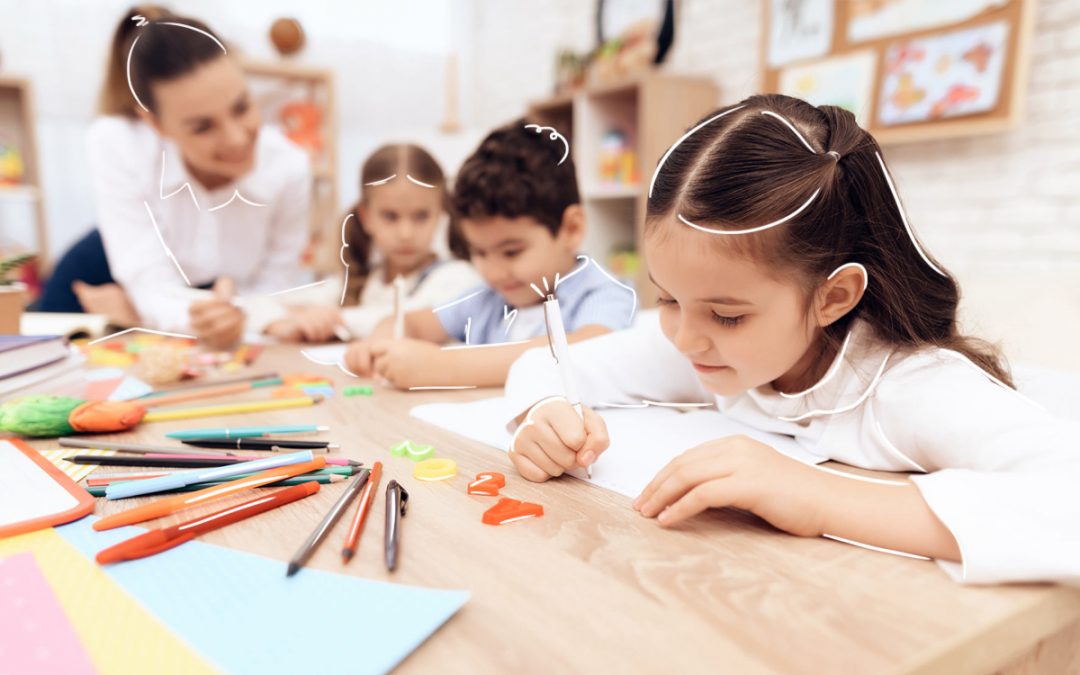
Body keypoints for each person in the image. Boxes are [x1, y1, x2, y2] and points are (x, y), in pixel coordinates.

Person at [502, 94, 1080, 585]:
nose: (684, 337)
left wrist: (815, 496)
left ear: (833, 297)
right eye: (668, 299)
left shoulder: (910, 388)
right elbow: (550, 362)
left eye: (727, 316)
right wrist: (547, 411)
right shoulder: (706, 346)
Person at [37, 9, 310, 348]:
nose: (237, 138)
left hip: (196, 307)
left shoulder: (290, 168)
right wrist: (211, 316)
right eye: (203, 126)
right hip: (98, 285)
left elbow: (275, 287)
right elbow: (148, 281)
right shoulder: (117, 141)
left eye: (241, 107)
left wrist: (237, 314)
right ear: (156, 125)